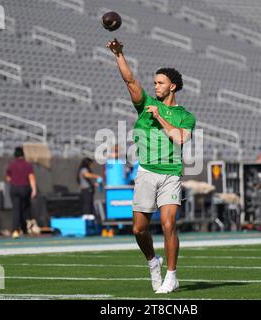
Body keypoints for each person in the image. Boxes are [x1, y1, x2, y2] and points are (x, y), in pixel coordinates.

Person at [106, 38, 196, 293]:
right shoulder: (145, 104)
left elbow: (180, 138)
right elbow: (130, 81)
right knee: (139, 229)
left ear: (172, 86)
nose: (155, 86)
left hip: (170, 174)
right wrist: (118, 54)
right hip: (146, 171)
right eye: (155, 82)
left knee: (169, 224)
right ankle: (152, 262)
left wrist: (160, 119)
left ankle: (172, 275)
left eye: (160, 83)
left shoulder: (186, 116)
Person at [6, 146, 37, 239]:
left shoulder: (11, 165)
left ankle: (15, 230)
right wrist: (34, 189)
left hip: (14, 188)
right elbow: (31, 177)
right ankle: (24, 229)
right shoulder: (28, 165)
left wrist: (14, 181)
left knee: (16, 210)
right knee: (24, 210)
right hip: (25, 188)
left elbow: (8, 178)